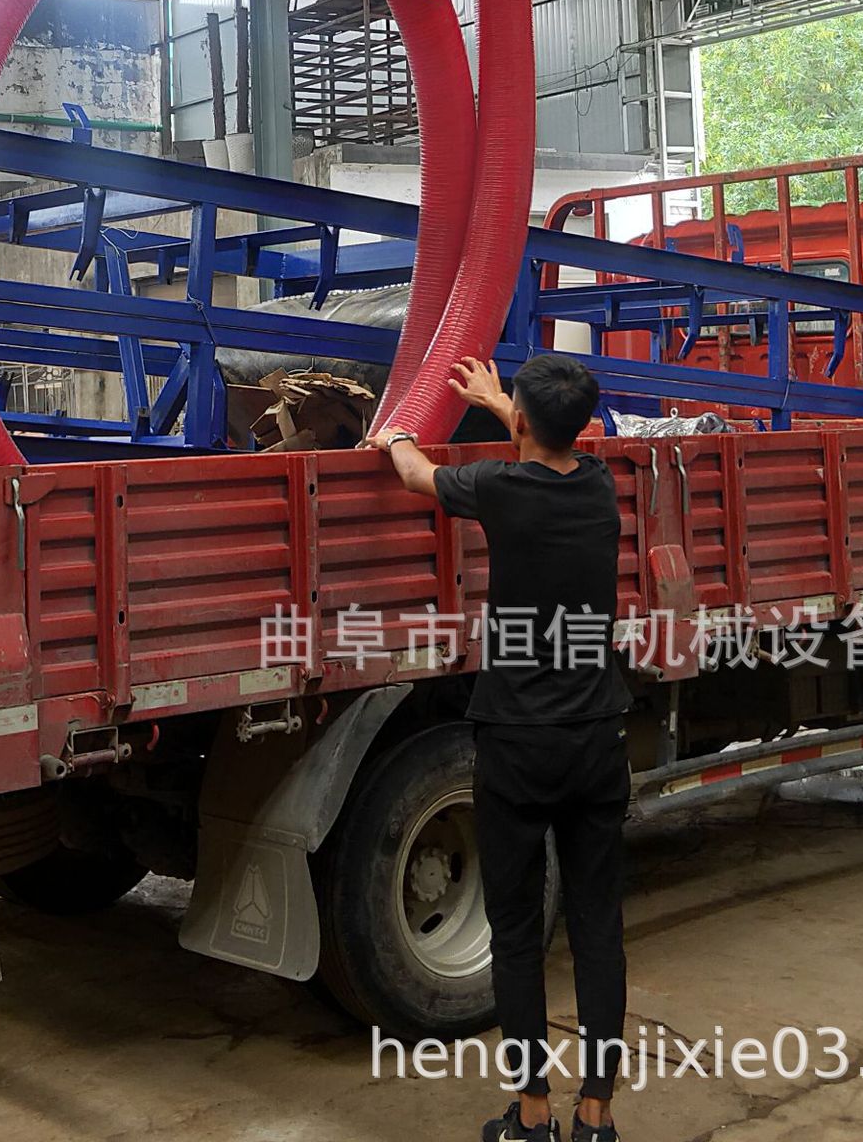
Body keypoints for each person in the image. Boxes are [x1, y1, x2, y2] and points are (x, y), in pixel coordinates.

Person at [370, 354, 628, 1142]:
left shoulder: (500, 489)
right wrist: (500, 406)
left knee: (516, 936)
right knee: (598, 930)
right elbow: (548, 450)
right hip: (597, 739)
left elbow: (414, 473)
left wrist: (396, 431)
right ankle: (597, 1116)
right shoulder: (598, 487)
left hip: (518, 745)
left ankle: (532, 1114)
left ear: (520, 422)